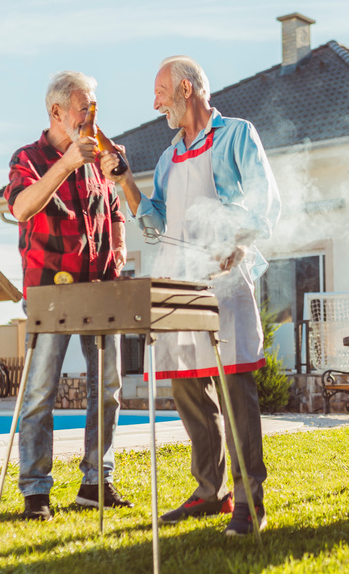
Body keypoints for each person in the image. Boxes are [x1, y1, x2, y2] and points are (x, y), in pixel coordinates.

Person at [117, 56, 280, 536]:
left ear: (186, 88)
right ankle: (211, 491)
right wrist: (125, 179)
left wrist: (239, 240)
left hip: (223, 277)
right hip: (178, 279)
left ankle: (251, 500)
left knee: (235, 390)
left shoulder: (237, 135)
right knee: (189, 387)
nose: (155, 102)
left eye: (160, 91)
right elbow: (154, 223)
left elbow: (264, 200)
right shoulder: (168, 157)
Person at [5, 71, 133, 521]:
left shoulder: (99, 157)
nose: (91, 115)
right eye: (84, 107)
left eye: (94, 106)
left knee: (109, 390)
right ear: (57, 111)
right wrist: (66, 165)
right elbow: (21, 207)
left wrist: (117, 256)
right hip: (50, 293)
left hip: (100, 289)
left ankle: (97, 482)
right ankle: (36, 490)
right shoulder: (30, 158)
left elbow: (116, 211)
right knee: (41, 391)